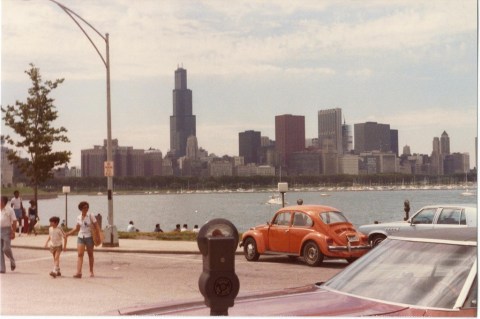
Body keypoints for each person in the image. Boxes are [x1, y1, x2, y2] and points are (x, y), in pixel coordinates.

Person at [65, 201, 98, 278]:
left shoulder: (91, 215)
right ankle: (79, 272)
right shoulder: (79, 217)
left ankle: (91, 271)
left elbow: (97, 226)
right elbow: (77, 228)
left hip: (89, 237)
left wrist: (98, 236)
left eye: (87, 207)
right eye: (84, 207)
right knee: (80, 254)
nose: (86, 209)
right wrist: (68, 234)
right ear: (81, 208)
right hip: (81, 237)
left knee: (90, 254)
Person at [1, 196, 17, 273]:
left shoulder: (9, 210)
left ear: (3, 202)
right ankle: (2, 268)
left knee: (6, 248)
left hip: (7, 230)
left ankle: (12, 260)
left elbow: (14, 221)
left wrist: (13, 231)